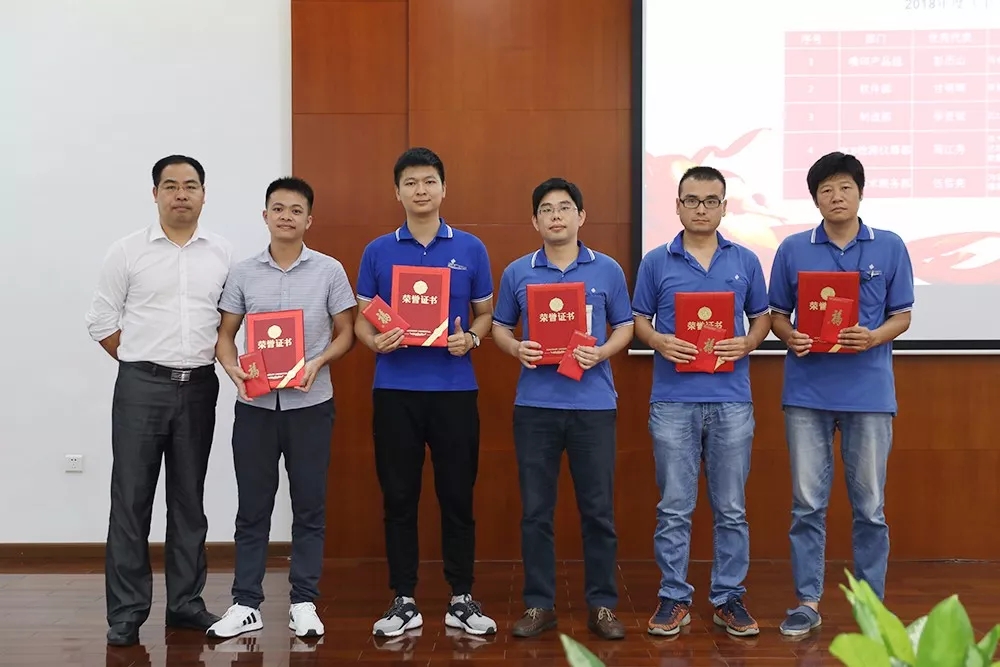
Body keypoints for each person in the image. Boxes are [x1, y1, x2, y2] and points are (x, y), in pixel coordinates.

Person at [85, 155, 232, 646]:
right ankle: (127, 612)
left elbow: (231, 322)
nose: (181, 194)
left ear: (204, 194)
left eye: (190, 185)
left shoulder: (223, 254)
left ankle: (186, 603)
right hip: (140, 387)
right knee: (131, 501)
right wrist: (142, 364)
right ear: (155, 194)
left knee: (189, 500)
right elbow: (101, 320)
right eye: (170, 186)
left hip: (200, 387)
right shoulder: (127, 251)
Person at [768, 152, 914, 636]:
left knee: (870, 507)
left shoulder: (889, 246)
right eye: (826, 189)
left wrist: (873, 337)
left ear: (860, 192)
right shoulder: (793, 248)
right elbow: (777, 315)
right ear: (815, 199)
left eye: (845, 187)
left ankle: (871, 607)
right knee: (807, 504)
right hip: (806, 393)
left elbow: (902, 316)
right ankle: (807, 601)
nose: (836, 196)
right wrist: (790, 336)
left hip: (869, 394)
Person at [354, 147, 497, 638]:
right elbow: (362, 319)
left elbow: (485, 315)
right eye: (411, 182)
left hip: (454, 390)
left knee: (457, 494)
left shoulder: (471, 248)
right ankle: (404, 598)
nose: (421, 190)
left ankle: (461, 597)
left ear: (444, 188)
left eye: (429, 181)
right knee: (399, 496)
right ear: (397, 192)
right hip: (395, 390)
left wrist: (471, 338)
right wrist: (374, 340)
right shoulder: (378, 250)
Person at [206, 177, 357, 639]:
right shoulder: (243, 273)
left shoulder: (329, 270)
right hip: (255, 406)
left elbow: (347, 333)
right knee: (253, 508)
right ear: (265, 215)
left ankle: (303, 602)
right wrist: (232, 368)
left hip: (311, 404)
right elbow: (225, 335)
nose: (286, 216)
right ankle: (245, 603)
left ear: (309, 219)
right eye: (278, 208)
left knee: (309, 506)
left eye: (296, 210)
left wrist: (318, 362)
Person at [491, 177, 634, 641]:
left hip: (594, 406)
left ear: (581, 216)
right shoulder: (518, 272)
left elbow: (626, 326)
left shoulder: (607, 269)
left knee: (598, 511)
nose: (556, 216)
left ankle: (603, 605)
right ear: (535, 221)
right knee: (536, 511)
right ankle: (539, 604)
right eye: (547, 209)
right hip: (536, 406)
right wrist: (517, 349)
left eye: (565, 207)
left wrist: (603, 352)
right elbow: (499, 328)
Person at [631, 165, 771, 637]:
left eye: (711, 201)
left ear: (724, 207)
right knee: (674, 507)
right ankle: (674, 597)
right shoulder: (656, 261)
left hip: (732, 401)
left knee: (732, 508)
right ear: (677, 205)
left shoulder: (745, 260)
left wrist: (748, 343)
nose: (701, 209)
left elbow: (762, 317)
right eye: (691, 200)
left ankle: (729, 598)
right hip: (673, 401)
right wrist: (659, 340)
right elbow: (638, 319)